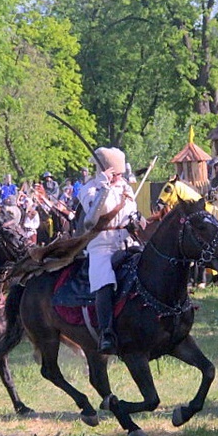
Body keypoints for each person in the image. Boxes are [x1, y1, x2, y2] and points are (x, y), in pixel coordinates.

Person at [80, 147, 141, 354]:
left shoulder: (126, 188)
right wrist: (104, 187)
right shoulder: (89, 189)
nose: (119, 177)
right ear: (104, 171)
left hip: (127, 242)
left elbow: (132, 213)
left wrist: (136, 221)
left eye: (120, 174)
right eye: (115, 174)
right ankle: (106, 332)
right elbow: (93, 218)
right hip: (101, 245)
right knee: (104, 281)